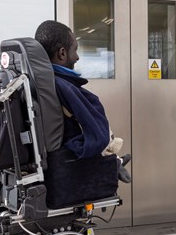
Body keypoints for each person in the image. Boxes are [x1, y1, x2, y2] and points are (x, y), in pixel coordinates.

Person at [34, 20, 131, 183]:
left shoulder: (40, 84)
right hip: (70, 167)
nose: (77, 57)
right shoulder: (65, 87)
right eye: (75, 50)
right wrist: (112, 163)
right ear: (62, 53)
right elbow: (98, 138)